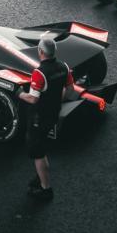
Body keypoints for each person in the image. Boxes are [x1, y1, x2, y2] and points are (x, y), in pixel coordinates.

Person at [18, 37, 75, 202]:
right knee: (42, 146)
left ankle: (45, 188)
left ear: (41, 52)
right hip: (53, 114)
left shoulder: (39, 73)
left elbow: (33, 99)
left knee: (38, 152)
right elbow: (70, 89)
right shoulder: (64, 67)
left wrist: (18, 93)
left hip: (39, 117)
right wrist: (57, 100)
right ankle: (40, 176)